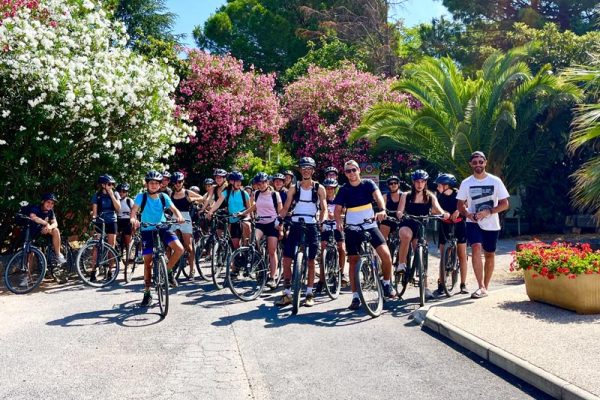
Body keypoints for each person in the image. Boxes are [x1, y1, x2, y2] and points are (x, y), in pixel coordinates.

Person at [334, 160, 397, 310]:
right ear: (345, 173)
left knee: (386, 255)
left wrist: (382, 209)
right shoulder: (343, 189)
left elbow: (378, 197)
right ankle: (355, 296)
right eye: (348, 171)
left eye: (353, 170)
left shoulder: (368, 184)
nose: (351, 173)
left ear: (359, 171)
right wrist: (338, 222)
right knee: (354, 261)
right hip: (352, 228)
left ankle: (387, 283)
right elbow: (337, 209)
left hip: (370, 225)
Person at [457, 151, 509, 299]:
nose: (478, 165)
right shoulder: (466, 183)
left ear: (485, 163)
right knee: (475, 247)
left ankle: (485, 286)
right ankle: (480, 286)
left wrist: (489, 211)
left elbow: (505, 204)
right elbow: (460, 204)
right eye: (475, 162)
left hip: (492, 223)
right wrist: (468, 214)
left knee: (490, 255)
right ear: (471, 164)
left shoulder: (495, 181)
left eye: (481, 162)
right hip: (473, 222)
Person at [276, 157, 327, 307]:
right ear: (300, 170)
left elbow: (324, 208)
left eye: (309, 168)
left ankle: (309, 293)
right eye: (303, 168)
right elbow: (285, 207)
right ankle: (286, 294)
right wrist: (279, 219)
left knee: (311, 261)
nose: (306, 170)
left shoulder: (319, 188)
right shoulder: (294, 187)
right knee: (286, 258)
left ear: (313, 170)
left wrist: (322, 221)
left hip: (311, 224)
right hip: (296, 223)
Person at [130, 171, 185, 306]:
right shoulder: (141, 197)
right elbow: (134, 211)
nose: (154, 185)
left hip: (162, 228)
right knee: (147, 263)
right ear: (147, 184)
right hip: (147, 230)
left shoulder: (163, 196)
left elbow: (174, 209)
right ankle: (147, 292)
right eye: (151, 183)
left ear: (160, 185)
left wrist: (179, 216)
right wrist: (133, 219)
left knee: (179, 249)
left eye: (156, 183)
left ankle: (168, 270)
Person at [396, 169, 450, 299]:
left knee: (422, 255)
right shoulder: (406, 195)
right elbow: (400, 210)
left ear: (426, 182)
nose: (419, 184)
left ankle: (425, 287)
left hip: (421, 227)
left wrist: (444, 214)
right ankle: (401, 264)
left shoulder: (430, 196)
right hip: (407, 224)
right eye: (417, 182)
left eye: (422, 181)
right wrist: (400, 214)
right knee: (406, 236)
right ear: (413, 182)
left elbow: (438, 209)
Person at [239, 172, 282, 289]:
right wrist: (243, 213)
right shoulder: (256, 193)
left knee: (272, 251)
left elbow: (280, 211)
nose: (262, 185)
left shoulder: (275, 194)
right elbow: (255, 206)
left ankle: (273, 277)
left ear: (267, 182)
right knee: (253, 241)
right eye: (259, 183)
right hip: (260, 223)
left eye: (264, 182)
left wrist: (281, 227)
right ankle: (260, 263)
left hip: (272, 224)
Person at [434, 173, 469, 295]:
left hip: (459, 224)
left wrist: (458, 211)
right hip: (444, 224)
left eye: (439, 185)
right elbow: (434, 208)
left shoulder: (459, 193)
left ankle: (463, 284)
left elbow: (466, 204)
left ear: (447, 185)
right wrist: (442, 212)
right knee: (443, 253)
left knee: (462, 254)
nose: (437, 187)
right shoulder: (439, 196)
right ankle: (441, 282)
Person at [169, 172, 204, 280]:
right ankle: (172, 266)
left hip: (185, 218)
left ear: (183, 182)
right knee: (170, 244)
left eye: (179, 182)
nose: (178, 184)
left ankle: (192, 269)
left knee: (189, 246)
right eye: (175, 182)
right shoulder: (171, 194)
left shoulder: (188, 192)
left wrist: (192, 200)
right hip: (174, 218)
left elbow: (202, 198)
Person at [208, 171, 251, 250]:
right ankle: (237, 259)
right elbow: (217, 204)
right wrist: (210, 212)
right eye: (237, 181)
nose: (239, 183)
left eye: (240, 181)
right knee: (235, 246)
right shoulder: (226, 193)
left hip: (243, 218)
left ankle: (247, 249)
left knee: (246, 225)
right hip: (233, 220)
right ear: (231, 181)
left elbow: (249, 209)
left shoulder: (244, 193)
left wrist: (246, 216)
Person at [318, 178, 348, 291]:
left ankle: (341, 273)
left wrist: (341, 214)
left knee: (342, 249)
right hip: (326, 227)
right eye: (327, 188)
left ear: (335, 189)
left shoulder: (339, 199)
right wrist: (321, 221)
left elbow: (344, 211)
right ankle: (321, 279)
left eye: (331, 188)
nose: (329, 190)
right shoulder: (321, 200)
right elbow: (319, 212)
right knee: (323, 250)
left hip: (337, 226)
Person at [91, 174, 121, 282]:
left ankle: (110, 270)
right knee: (96, 245)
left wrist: (112, 195)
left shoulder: (115, 193)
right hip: (100, 221)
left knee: (111, 245)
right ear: (103, 185)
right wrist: (94, 220)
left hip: (112, 221)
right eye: (109, 184)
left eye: (112, 184)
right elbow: (94, 212)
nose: (111, 186)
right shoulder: (97, 195)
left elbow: (118, 209)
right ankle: (93, 271)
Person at [28, 193, 67, 264]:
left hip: (43, 232)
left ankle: (58, 255)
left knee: (56, 230)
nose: (50, 205)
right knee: (30, 254)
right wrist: (46, 223)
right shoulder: (36, 208)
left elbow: (55, 223)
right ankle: (28, 274)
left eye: (52, 203)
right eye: (48, 202)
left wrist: (49, 227)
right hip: (32, 232)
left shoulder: (50, 211)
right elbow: (33, 217)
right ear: (43, 202)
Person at [380, 175, 402, 241]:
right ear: (388, 185)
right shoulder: (385, 196)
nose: (393, 185)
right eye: (391, 183)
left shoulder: (404, 195)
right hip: (388, 218)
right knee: (383, 239)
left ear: (398, 184)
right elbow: (382, 208)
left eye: (395, 183)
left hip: (401, 218)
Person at [116, 183, 134, 257]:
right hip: (117, 221)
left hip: (127, 221)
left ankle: (128, 256)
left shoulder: (129, 201)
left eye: (124, 191)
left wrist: (134, 224)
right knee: (113, 238)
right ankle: (116, 253)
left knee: (127, 241)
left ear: (126, 192)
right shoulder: (115, 200)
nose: (121, 193)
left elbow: (134, 212)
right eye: (120, 191)